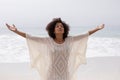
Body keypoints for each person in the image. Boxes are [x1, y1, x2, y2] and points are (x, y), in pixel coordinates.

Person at [6, 18, 104, 80]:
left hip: (65, 74)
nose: (60, 27)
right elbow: (30, 37)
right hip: (51, 74)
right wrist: (16, 31)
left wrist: (97, 28)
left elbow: (85, 35)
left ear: (65, 29)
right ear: (53, 30)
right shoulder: (47, 41)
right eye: (57, 26)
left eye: (61, 26)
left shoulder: (70, 40)